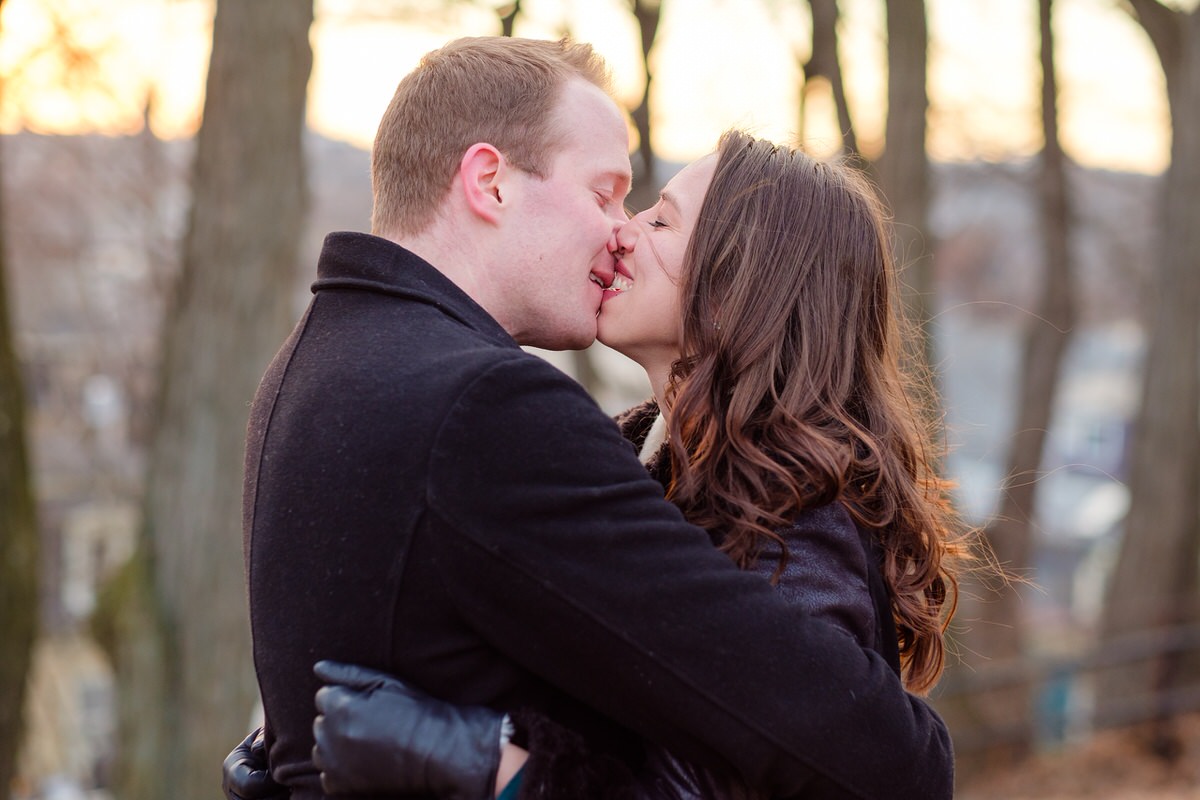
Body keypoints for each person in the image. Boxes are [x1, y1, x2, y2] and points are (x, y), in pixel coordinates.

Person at [237, 35, 955, 800]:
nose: (620, 231)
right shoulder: (497, 414)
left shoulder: (310, 368)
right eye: (606, 194)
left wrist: (496, 774)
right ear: (492, 182)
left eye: (654, 217)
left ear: (739, 283)